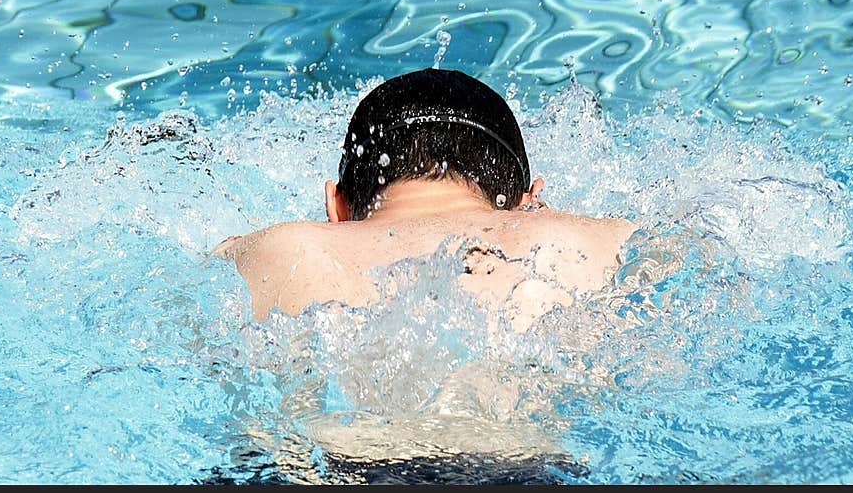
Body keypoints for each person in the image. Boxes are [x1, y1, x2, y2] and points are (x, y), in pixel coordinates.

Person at [213, 68, 636, 332]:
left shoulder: (274, 249)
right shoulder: (601, 242)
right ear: (530, 201)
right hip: (525, 468)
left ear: (336, 207)